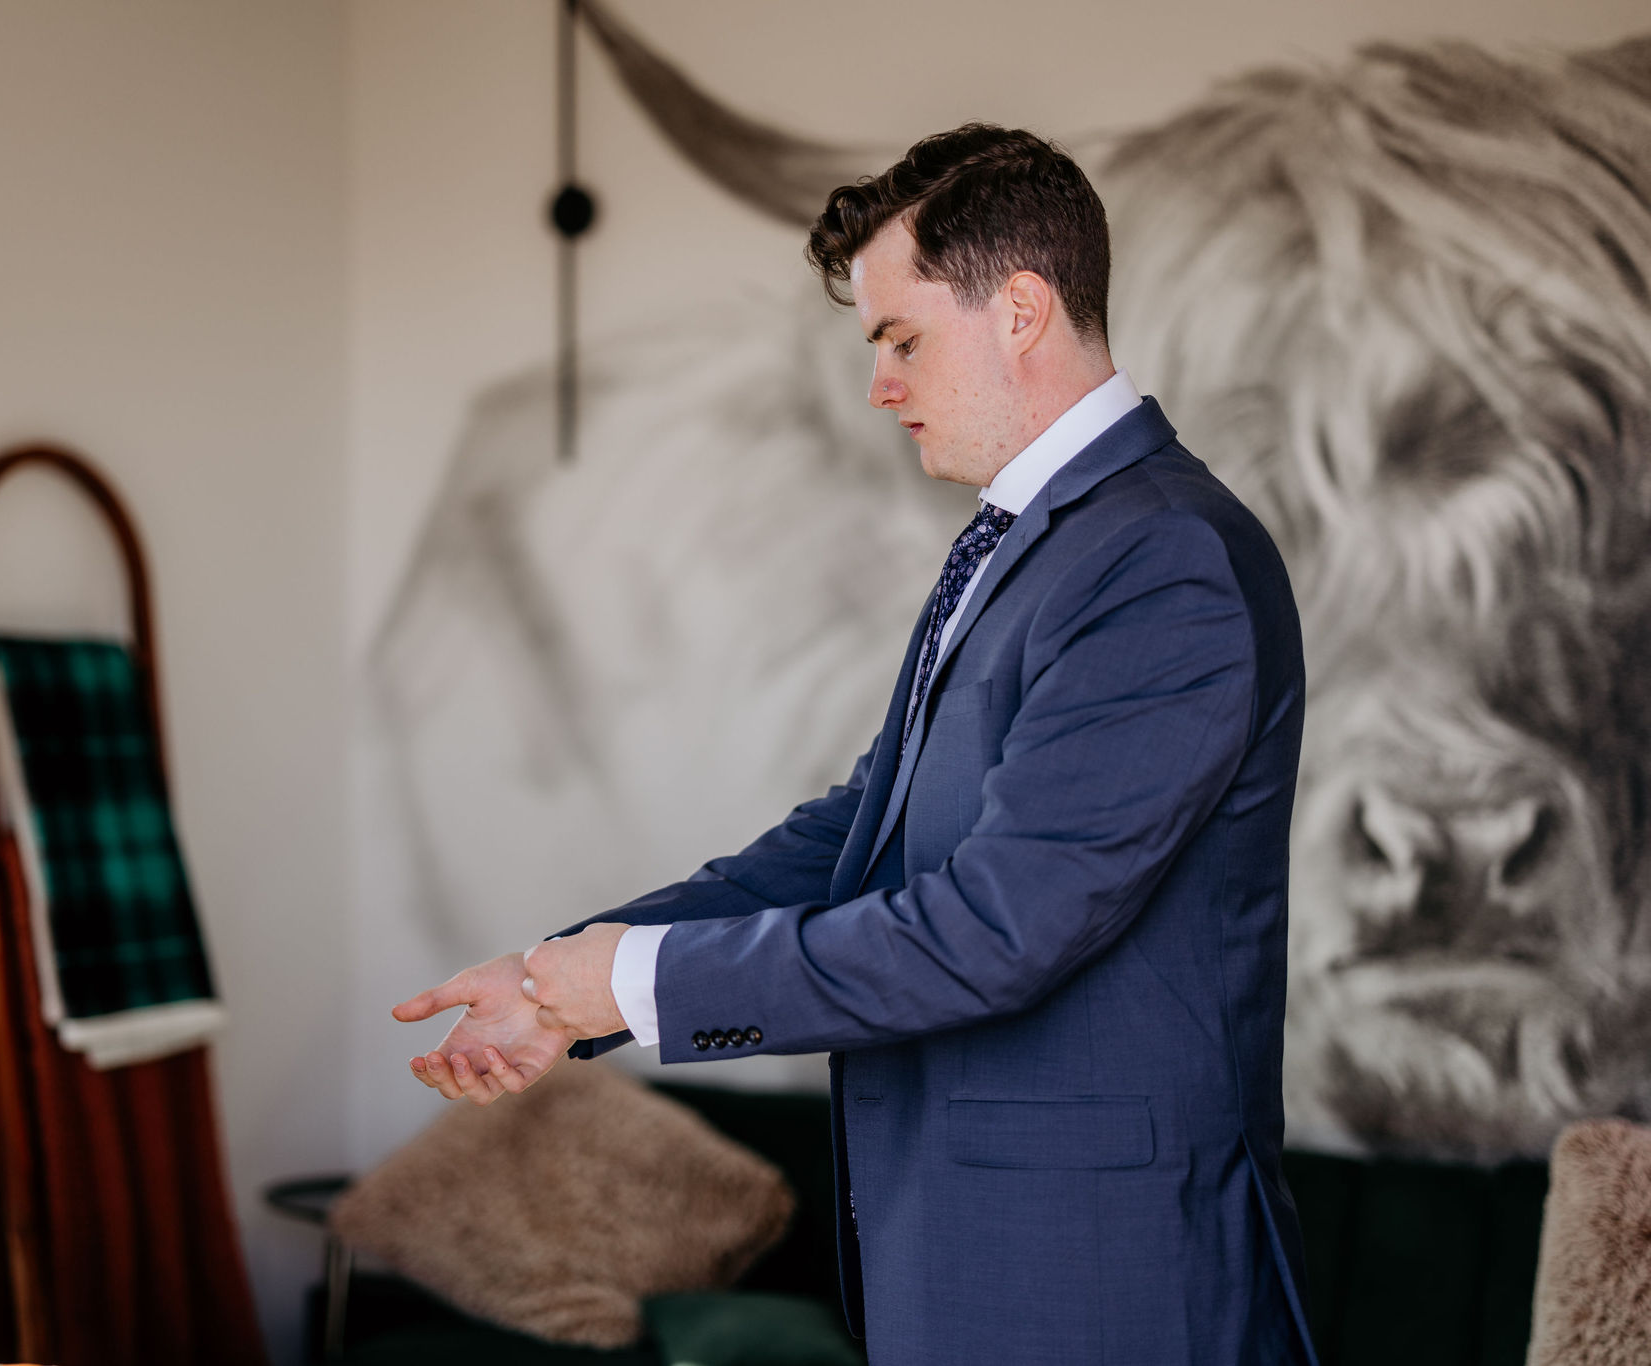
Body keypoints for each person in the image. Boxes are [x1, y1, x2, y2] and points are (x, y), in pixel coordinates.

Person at [392, 123, 1317, 1365]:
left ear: (1022, 310)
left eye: (898, 338)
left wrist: (633, 983)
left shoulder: (1162, 563)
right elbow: (859, 833)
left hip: (1098, 1275)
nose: (878, 383)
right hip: (977, 1255)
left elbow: (996, 930)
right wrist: (564, 980)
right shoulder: (1032, 544)